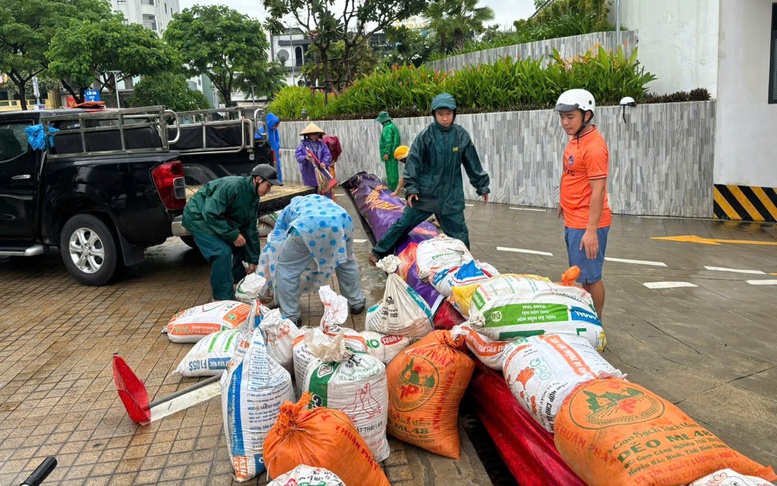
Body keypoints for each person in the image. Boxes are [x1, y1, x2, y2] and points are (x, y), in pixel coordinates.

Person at [370, 93, 490, 264]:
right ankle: (378, 252)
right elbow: (413, 164)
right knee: (403, 224)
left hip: (451, 196)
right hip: (425, 194)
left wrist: (482, 186)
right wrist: (411, 189)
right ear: (434, 115)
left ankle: (466, 265)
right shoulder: (425, 136)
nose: (445, 118)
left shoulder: (461, 136)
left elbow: (472, 163)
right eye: (441, 114)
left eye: (448, 114)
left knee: (460, 234)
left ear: (454, 114)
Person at [257, 194, 367, 326]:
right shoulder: (325, 202)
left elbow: (277, 236)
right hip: (342, 221)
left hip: (308, 226)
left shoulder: (290, 208)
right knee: (346, 262)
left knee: (287, 269)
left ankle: (291, 315)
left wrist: (273, 259)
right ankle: (356, 303)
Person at [183, 165, 282, 301]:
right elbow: (210, 213)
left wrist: (252, 259)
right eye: (268, 186)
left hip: (219, 217)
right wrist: (233, 234)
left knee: (241, 245)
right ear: (258, 179)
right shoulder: (232, 186)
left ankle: (238, 286)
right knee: (221, 252)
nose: (269, 190)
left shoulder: (253, 196)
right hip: (199, 217)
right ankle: (221, 298)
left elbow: (250, 227)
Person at [555, 88, 612, 320]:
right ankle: (586, 319)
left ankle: (596, 323)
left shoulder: (594, 147)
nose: (565, 122)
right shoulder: (576, 139)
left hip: (587, 222)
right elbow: (570, 173)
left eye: (570, 117)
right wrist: (562, 200)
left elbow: (598, 191)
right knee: (582, 275)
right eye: (562, 117)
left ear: (587, 116)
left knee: (591, 278)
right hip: (573, 217)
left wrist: (591, 232)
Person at [295, 122, 332, 191]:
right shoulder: (303, 145)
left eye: (316, 134)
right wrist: (305, 157)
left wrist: (324, 162)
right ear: (308, 134)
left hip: (322, 171)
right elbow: (298, 156)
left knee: (324, 190)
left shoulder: (322, 144)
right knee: (311, 191)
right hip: (309, 173)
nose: (315, 135)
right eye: (312, 134)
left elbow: (327, 154)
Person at [376, 111, 401, 192]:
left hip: (390, 154)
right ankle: (395, 187)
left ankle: (392, 188)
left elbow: (388, 141)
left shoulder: (387, 128)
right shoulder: (393, 126)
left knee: (391, 172)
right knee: (394, 171)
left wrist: (387, 152)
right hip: (394, 153)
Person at [256, 112, 283, 183]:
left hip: (275, 152)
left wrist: (279, 149)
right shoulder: (263, 130)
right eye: (275, 125)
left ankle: (278, 181)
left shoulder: (274, 130)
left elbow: (277, 140)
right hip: (267, 152)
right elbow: (258, 140)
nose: (275, 127)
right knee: (268, 168)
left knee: (277, 167)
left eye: (276, 126)